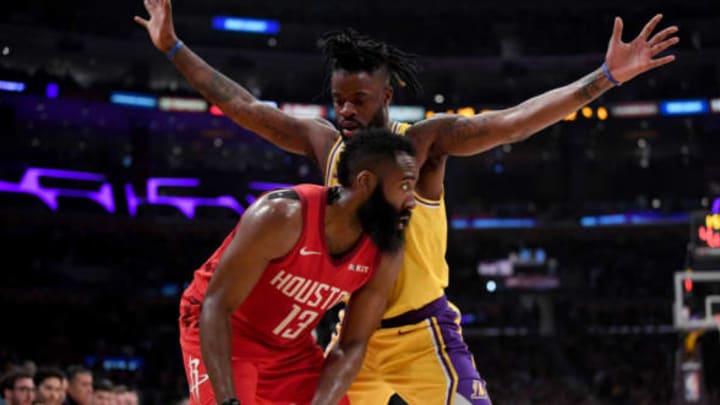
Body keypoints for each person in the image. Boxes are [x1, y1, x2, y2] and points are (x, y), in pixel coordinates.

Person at [136, 1, 679, 402]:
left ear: (387, 98)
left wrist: (603, 80)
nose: (346, 111)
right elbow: (243, 105)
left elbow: (514, 121)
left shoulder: (425, 144)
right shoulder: (326, 144)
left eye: (359, 100)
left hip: (426, 333)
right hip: (354, 337)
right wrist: (174, 49)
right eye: (338, 100)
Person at [177, 130, 417, 404]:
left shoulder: (386, 251)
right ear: (366, 182)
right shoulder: (282, 217)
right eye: (405, 186)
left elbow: (352, 345)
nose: (412, 200)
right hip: (224, 332)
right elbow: (217, 306)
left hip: (290, 351)